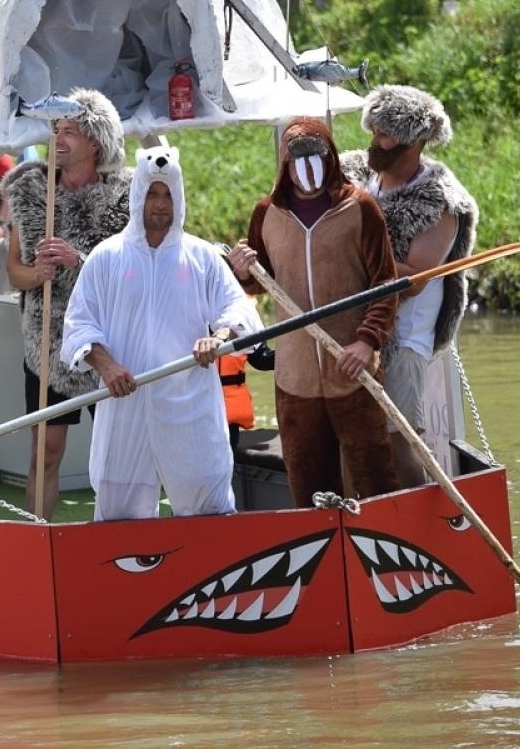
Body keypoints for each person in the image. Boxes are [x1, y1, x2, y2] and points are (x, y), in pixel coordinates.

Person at [60, 147, 262, 521]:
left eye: (168, 194)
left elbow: (239, 309)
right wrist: (106, 366)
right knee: (119, 513)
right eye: (152, 193)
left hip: (190, 403)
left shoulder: (201, 257)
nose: (160, 204)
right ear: (138, 194)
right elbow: (79, 324)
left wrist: (216, 338)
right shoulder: (107, 257)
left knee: (208, 504)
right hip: (125, 404)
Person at [227, 117, 400, 507]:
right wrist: (242, 271)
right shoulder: (267, 213)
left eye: (316, 156)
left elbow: (385, 285)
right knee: (308, 487)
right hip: (296, 379)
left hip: (353, 372)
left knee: (374, 478)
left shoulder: (361, 207)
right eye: (296, 159)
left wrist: (366, 341)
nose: (307, 169)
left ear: (331, 156)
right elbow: (257, 285)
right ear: (285, 164)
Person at [0, 90, 132, 520]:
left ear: (94, 143)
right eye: (56, 129)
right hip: (47, 343)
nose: (57, 138)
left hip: (109, 340)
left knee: (117, 453)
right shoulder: (30, 191)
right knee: (46, 452)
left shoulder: (126, 197)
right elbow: (13, 272)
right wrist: (37, 274)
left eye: (69, 131)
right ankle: (37, 537)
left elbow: (135, 273)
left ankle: (122, 533)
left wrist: (79, 261)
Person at [340, 86, 477, 487]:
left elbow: (413, 280)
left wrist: (350, 256)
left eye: (386, 133)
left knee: (399, 440)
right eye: (374, 130)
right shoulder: (361, 175)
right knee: (356, 438)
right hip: (358, 327)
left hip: (406, 337)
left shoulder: (439, 201)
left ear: (415, 141)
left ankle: (421, 526)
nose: (375, 142)